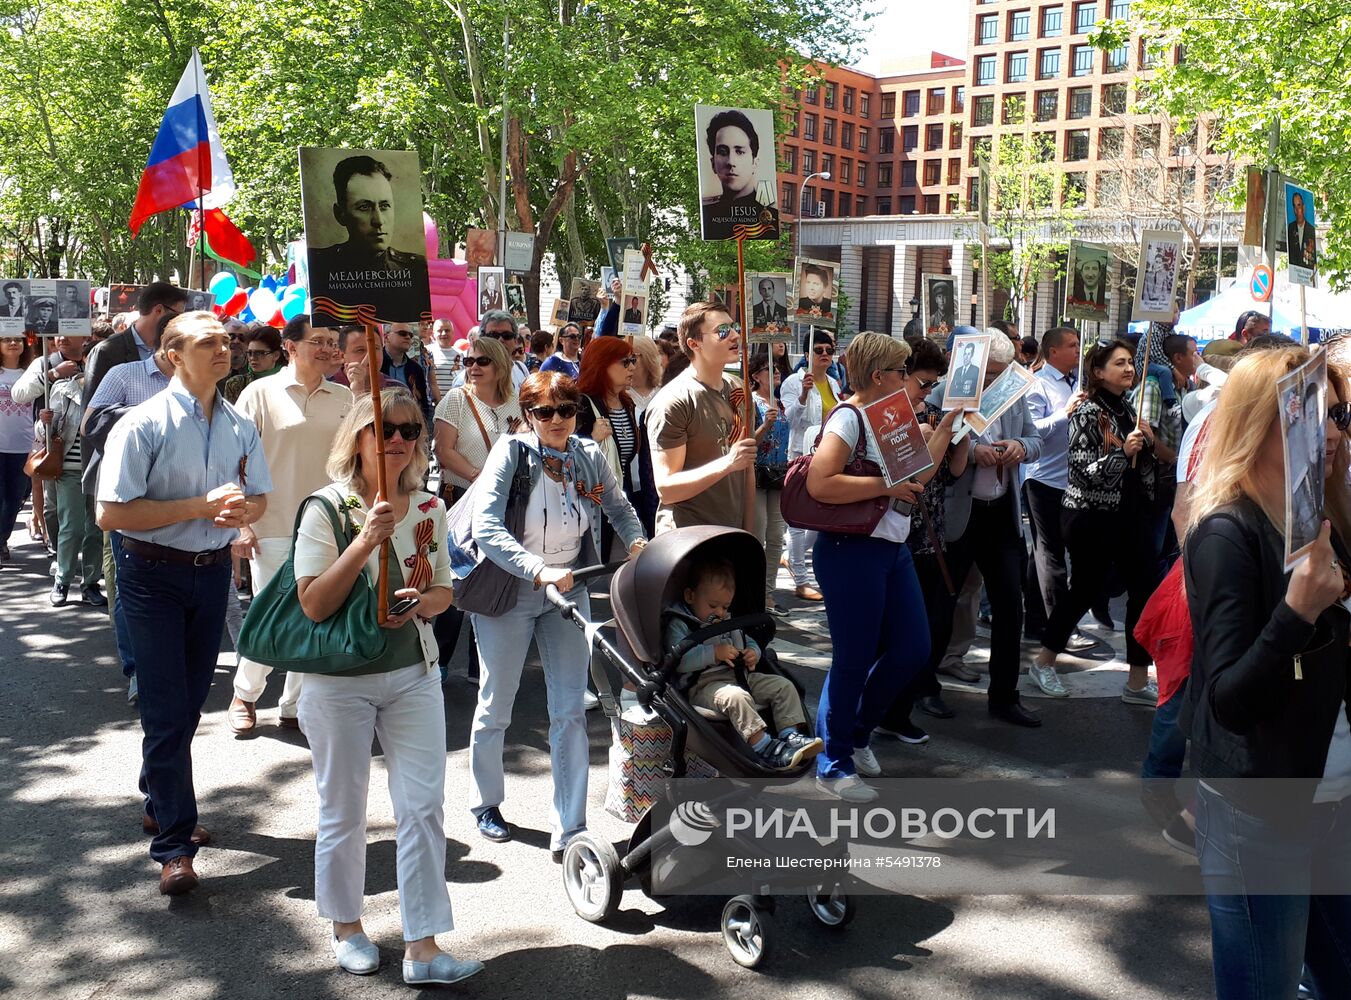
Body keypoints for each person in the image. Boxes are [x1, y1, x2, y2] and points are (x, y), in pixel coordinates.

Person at [290, 391, 479, 985]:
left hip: (413, 675)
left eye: (408, 429)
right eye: (383, 429)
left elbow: (446, 593)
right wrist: (365, 541)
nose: (397, 439)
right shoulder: (327, 507)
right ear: (359, 437)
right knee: (343, 808)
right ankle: (346, 926)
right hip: (339, 679)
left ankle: (423, 946)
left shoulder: (428, 505)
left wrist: (420, 604)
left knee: (423, 809)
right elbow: (314, 603)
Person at [1181, 345, 1351, 999]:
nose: (1335, 432)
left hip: (1331, 801)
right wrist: (1295, 613)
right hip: (1262, 811)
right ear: (1265, 422)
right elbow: (1228, 699)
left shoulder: (1327, 523)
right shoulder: (1227, 534)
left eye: (1340, 416)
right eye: (1319, 416)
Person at [96, 311, 272, 895]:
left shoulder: (239, 422)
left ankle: (158, 794)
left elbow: (261, 497)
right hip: (149, 576)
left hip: (212, 572)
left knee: (192, 701)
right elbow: (112, 514)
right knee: (168, 707)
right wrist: (198, 506)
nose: (226, 350)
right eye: (209, 343)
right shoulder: (141, 424)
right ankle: (174, 843)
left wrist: (243, 512)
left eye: (228, 341)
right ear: (173, 354)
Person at [466, 371, 645, 857]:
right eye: (545, 412)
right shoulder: (512, 453)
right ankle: (485, 802)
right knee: (496, 701)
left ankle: (570, 826)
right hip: (511, 588)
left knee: (568, 710)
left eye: (566, 410)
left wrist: (635, 541)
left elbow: (619, 506)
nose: (557, 420)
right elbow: (485, 527)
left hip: (571, 587)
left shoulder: (586, 455)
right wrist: (536, 569)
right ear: (528, 415)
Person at [804, 333, 931, 802]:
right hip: (849, 549)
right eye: (903, 372)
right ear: (881, 376)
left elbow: (915, 480)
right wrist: (886, 487)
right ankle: (833, 763)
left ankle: (855, 735)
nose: (910, 381)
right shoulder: (848, 417)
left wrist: (949, 426)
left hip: (890, 549)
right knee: (853, 658)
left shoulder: (892, 414)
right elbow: (821, 483)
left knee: (914, 648)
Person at [227, 316, 351, 734]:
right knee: (276, 613)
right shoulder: (259, 394)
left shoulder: (344, 397)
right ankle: (244, 694)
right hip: (272, 522)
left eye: (333, 341)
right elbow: (234, 464)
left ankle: (293, 704)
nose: (328, 348)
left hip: (327, 525)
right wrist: (241, 526)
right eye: (318, 340)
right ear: (290, 347)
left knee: (314, 614)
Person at [925, 331, 1046, 728]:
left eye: (1002, 373)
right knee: (943, 602)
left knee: (1011, 606)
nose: (995, 381)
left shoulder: (1013, 390)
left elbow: (1035, 439)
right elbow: (929, 444)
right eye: (989, 373)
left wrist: (1019, 447)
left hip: (1001, 512)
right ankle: (925, 687)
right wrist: (970, 452)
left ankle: (1005, 696)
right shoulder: (943, 390)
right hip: (959, 512)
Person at [1033, 339, 1161, 704]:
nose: (1128, 368)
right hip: (1090, 516)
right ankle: (1044, 661)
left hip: (1129, 515)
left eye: (1130, 363)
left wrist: (1148, 443)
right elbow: (1082, 472)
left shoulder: (1127, 408)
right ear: (1098, 371)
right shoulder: (1088, 412)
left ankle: (1137, 681)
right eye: (1118, 363)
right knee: (1084, 590)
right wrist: (1123, 453)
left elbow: (1145, 467)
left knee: (1143, 591)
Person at [874, 337, 969, 741]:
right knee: (888, 632)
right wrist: (932, 438)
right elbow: (907, 476)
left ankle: (902, 707)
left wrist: (957, 437)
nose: (927, 392)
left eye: (933, 385)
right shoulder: (884, 417)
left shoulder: (932, 412)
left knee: (926, 626)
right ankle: (879, 710)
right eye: (921, 382)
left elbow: (954, 472)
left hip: (931, 533)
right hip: (893, 536)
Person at [83, 341, 176, 704]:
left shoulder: (202, 383)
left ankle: (171, 663)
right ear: (173, 347)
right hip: (130, 495)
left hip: (184, 498)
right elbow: (91, 423)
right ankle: (138, 670)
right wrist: (148, 420)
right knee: (130, 585)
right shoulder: (125, 374)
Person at [664, 557, 822, 767]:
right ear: (690, 596)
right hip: (704, 686)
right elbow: (679, 661)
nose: (719, 612)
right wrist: (714, 653)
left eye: (725, 606)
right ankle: (764, 746)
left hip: (741, 677)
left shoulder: (726, 620)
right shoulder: (680, 624)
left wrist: (752, 653)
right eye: (713, 605)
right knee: (737, 697)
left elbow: (749, 640)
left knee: (783, 686)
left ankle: (789, 735)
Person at [431, 336, 521, 675]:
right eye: (469, 361)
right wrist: (479, 475)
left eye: (481, 361)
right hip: (461, 500)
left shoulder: (516, 402)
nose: (473, 367)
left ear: (500, 366)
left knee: (492, 578)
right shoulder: (456, 400)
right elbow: (444, 451)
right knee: (456, 577)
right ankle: (437, 661)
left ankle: (478, 666)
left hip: (505, 505)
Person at [645, 302, 756, 532]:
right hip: (688, 541)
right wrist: (728, 463)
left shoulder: (738, 389)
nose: (735, 336)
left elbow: (747, 470)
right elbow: (667, 488)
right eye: (722, 331)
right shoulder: (673, 401)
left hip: (732, 536)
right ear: (694, 344)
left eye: (734, 327)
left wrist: (750, 534)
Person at [1022, 327, 1094, 651]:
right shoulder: (1038, 384)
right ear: (1053, 352)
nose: (1078, 349)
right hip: (1042, 478)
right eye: (1072, 345)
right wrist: (1065, 414)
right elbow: (1032, 430)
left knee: (1041, 551)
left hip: (1070, 477)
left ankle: (1035, 620)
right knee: (1052, 553)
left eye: (1079, 344)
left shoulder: (1075, 382)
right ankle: (1059, 626)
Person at [307, 154, 430, 322]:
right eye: (364, 207)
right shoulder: (319, 267)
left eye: (385, 206)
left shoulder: (416, 270)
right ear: (340, 214)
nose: (378, 220)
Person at [34, 343, 104, 606]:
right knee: (72, 528)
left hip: (99, 468)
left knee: (96, 529)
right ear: (85, 361)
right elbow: (44, 435)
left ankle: (90, 583)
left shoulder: (114, 391)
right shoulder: (63, 389)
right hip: (71, 470)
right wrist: (45, 422)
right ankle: (62, 580)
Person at [574, 336, 651, 558]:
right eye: (625, 362)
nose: (633, 368)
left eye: (633, 360)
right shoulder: (581, 404)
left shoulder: (627, 402)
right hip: (590, 502)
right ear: (602, 364)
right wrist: (590, 438)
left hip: (621, 497)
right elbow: (564, 452)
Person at [781, 330, 844, 601]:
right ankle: (801, 580)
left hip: (826, 458)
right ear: (806, 354)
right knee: (797, 520)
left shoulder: (834, 383)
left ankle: (789, 556)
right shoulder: (794, 382)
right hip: (799, 455)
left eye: (829, 350)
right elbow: (789, 420)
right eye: (818, 350)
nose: (825, 355)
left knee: (819, 521)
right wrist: (804, 395)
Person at [82, 282, 188, 412]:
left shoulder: (175, 349)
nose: (180, 321)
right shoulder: (107, 351)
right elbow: (92, 419)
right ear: (159, 310)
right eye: (178, 315)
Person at [748, 351, 789, 611]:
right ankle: (751, 593)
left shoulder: (780, 402)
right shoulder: (751, 403)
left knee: (776, 536)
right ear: (755, 376)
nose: (775, 372)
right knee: (758, 534)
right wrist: (764, 426)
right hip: (756, 474)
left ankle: (767, 593)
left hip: (778, 473)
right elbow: (747, 440)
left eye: (776, 368)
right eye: (767, 368)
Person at [700, 109, 773, 239]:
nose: (731, 162)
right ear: (713, 163)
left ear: (754, 162)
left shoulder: (768, 217)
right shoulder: (707, 216)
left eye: (739, 152)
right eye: (722, 152)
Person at [0, 335, 35, 565]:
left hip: (24, 447)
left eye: (18, 340)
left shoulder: (33, 375)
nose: (13, 343)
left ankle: (3, 537)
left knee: (15, 498)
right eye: (6, 339)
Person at [380, 324, 432, 422]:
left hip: (409, 424)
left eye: (411, 335)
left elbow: (423, 403)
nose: (408, 337)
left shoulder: (416, 369)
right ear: (386, 337)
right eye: (402, 333)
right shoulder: (375, 364)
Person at [222, 326, 285, 404]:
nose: (252, 358)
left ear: (276, 355)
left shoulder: (288, 382)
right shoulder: (236, 384)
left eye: (259, 353)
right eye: (249, 353)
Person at [330, 325, 400, 393]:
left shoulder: (397, 389)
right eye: (360, 350)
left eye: (375, 348)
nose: (369, 355)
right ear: (342, 356)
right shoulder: (325, 389)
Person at [425, 319, 462, 399]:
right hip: (434, 405)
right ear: (433, 333)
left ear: (453, 333)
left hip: (456, 404)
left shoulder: (462, 354)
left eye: (447, 330)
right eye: (440, 331)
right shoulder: (426, 352)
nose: (444, 333)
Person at [628, 336, 662, 414]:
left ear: (648, 358)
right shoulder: (618, 394)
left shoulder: (666, 392)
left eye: (632, 358)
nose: (627, 364)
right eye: (623, 359)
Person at [1288, 190, 1317, 270]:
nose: (1297, 210)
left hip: (1307, 273)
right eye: (1295, 206)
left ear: (1303, 207)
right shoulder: (1290, 228)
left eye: (1299, 205)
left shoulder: (1311, 230)